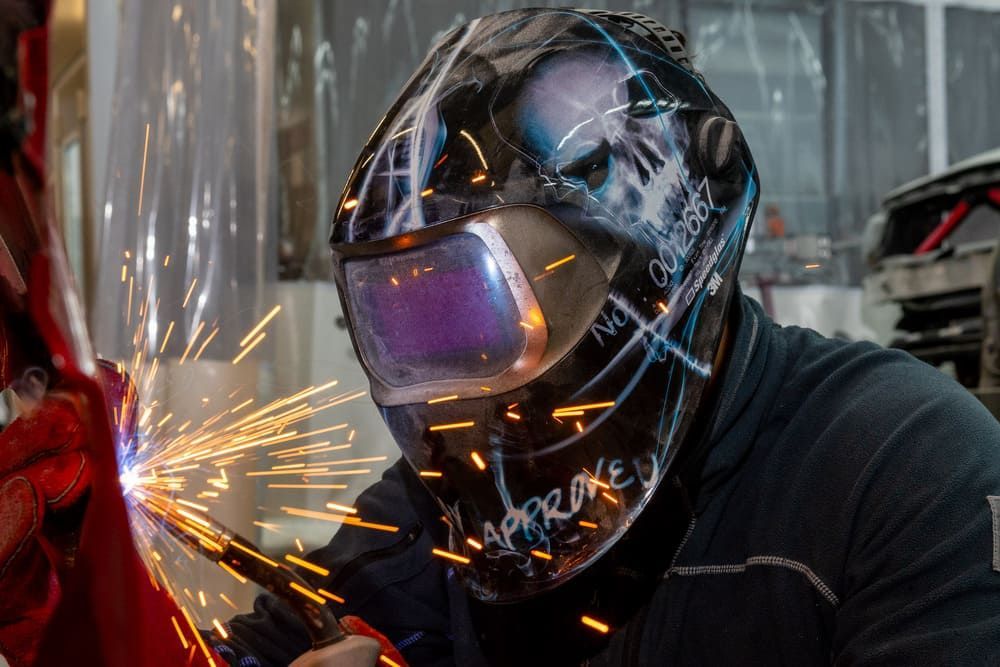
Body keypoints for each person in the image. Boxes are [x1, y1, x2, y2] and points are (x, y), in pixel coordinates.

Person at [202, 8, 1000, 666]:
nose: (456, 386)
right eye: (409, 327)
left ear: (649, 256)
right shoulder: (452, 507)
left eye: (476, 311)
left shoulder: (903, 467)